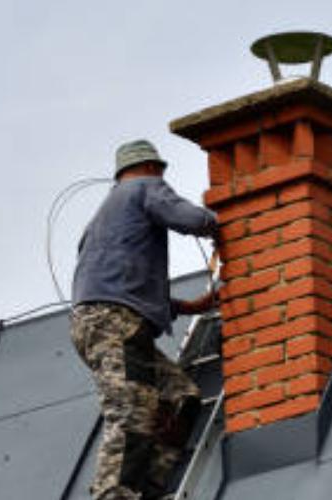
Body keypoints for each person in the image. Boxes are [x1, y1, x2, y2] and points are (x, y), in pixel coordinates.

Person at [70, 139, 218, 500]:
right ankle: (114, 494)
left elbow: (122, 283)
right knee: (131, 408)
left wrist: (190, 307)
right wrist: (222, 223)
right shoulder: (144, 187)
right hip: (114, 323)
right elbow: (190, 219)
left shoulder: (100, 221)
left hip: (100, 323)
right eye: (160, 172)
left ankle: (148, 486)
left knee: (180, 397)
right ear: (152, 167)